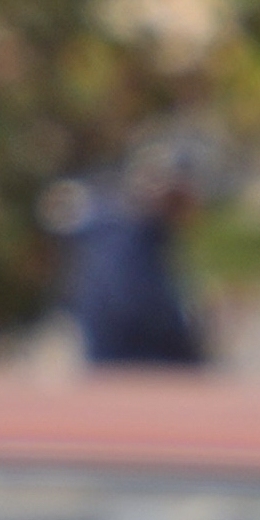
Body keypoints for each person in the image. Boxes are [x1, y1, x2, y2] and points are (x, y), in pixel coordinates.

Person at [61, 141, 208, 373]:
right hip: (129, 359)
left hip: (123, 357)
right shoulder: (122, 233)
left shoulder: (143, 233)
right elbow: (134, 306)